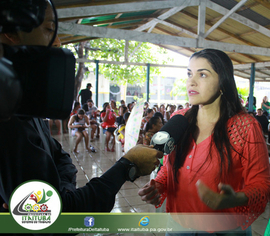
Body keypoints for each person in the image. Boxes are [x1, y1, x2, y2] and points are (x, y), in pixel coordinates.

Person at [0, 0, 162, 215]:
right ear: (12, 31)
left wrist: (60, 187)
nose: (57, 42)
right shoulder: (7, 119)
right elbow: (56, 216)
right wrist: (126, 164)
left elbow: (61, 157)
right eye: (49, 29)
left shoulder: (27, 107)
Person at [138, 49, 270, 234]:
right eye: (189, 74)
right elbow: (169, 167)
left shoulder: (245, 127)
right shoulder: (179, 119)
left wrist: (236, 198)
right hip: (178, 226)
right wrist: (159, 185)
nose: (191, 82)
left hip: (224, 229)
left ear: (222, 82)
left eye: (202, 74)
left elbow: (263, 185)